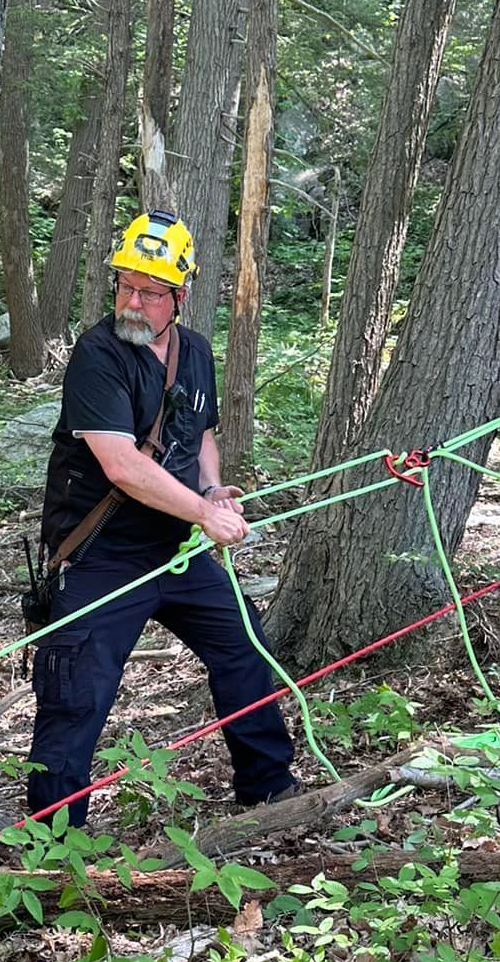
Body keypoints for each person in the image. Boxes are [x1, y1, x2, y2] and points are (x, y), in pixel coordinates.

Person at [27, 209, 297, 827]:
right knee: (78, 693)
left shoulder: (195, 351)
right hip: (101, 553)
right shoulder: (98, 356)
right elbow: (121, 465)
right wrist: (204, 511)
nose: (133, 300)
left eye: (149, 292)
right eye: (125, 285)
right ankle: (53, 839)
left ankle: (269, 790)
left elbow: (199, 431)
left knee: (245, 647)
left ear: (179, 295)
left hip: (177, 547)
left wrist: (210, 490)